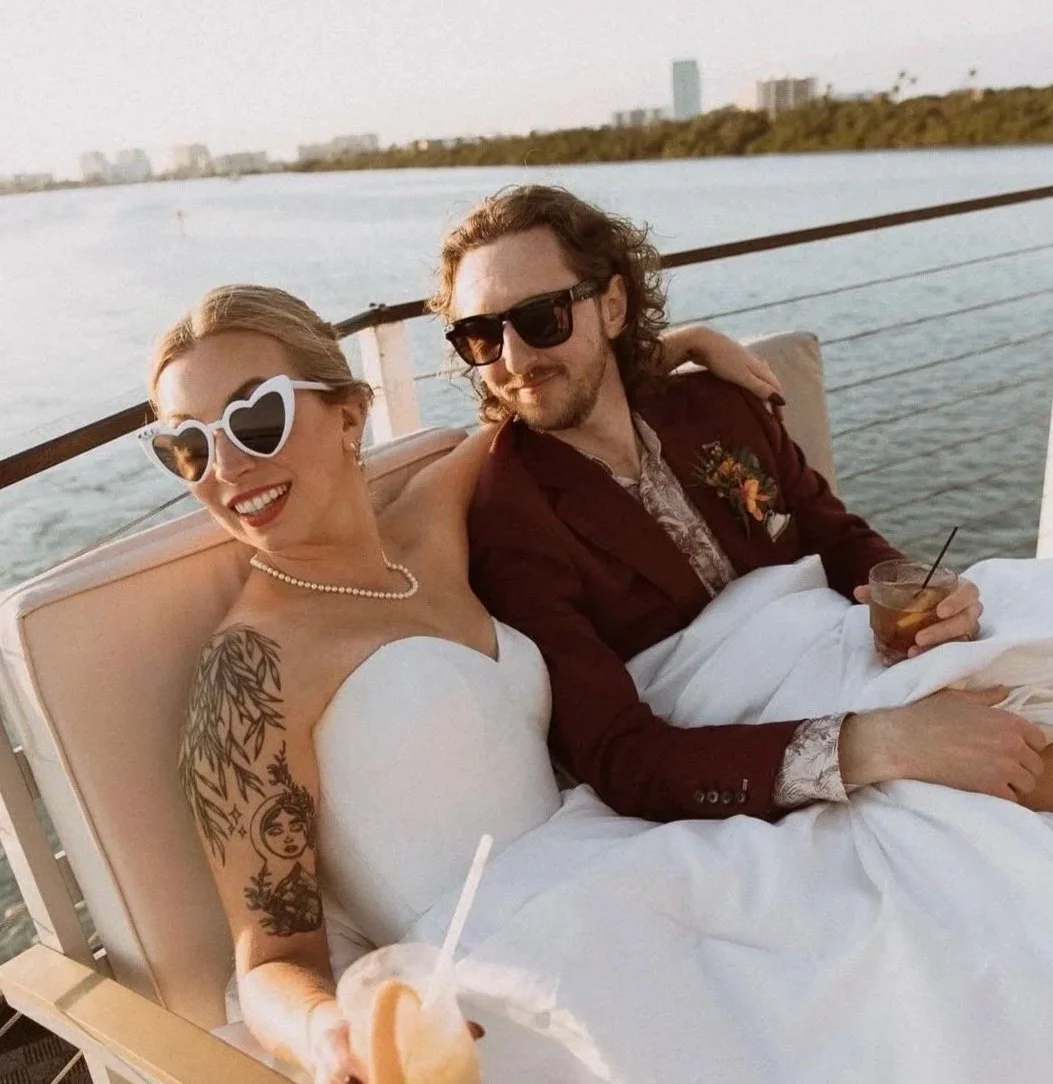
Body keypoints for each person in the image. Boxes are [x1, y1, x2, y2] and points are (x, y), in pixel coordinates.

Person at [140, 283, 776, 1084]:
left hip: (622, 879)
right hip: (492, 985)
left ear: (348, 413)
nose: (227, 468)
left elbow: (522, 408)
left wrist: (674, 346)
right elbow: (271, 958)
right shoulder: (249, 671)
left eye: (254, 419)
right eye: (186, 447)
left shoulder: (426, 532)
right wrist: (329, 1034)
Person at [442, 184, 1052, 822]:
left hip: (851, 650)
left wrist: (920, 595)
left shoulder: (717, 405)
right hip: (762, 736)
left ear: (613, 304)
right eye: (480, 336)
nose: (513, 360)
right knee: (1017, 752)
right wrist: (881, 739)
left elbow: (837, 538)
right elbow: (622, 755)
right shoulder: (511, 520)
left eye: (543, 318)